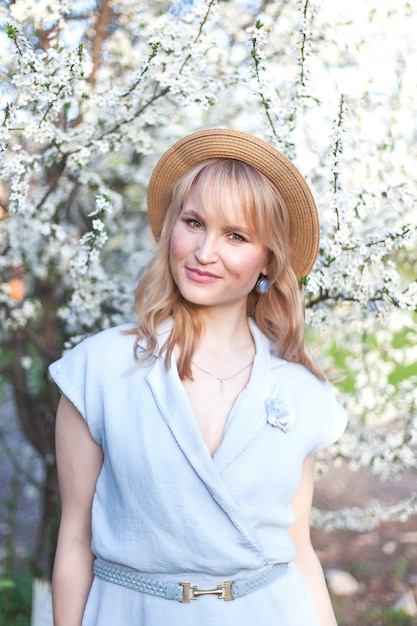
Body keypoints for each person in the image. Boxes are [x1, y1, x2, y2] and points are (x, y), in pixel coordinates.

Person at [49, 128, 347, 626]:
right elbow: (75, 541)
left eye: (236, 236)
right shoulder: (97, 370)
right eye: (194, 222)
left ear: (267, 260)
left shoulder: (302, 390)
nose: (205, 251)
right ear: (172, 228)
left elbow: (299, 548)